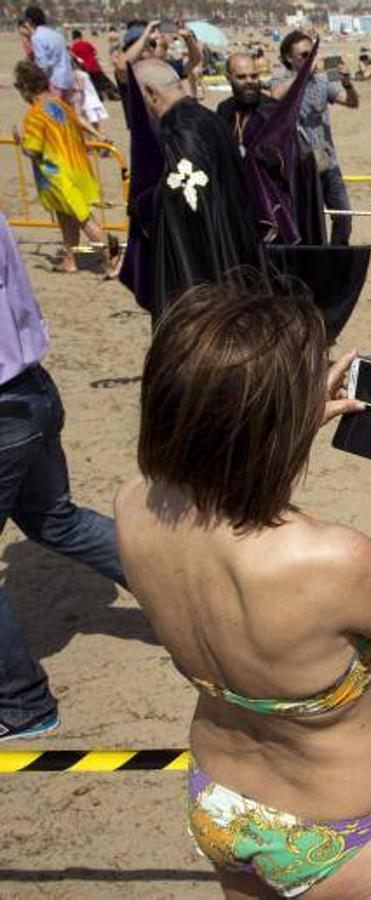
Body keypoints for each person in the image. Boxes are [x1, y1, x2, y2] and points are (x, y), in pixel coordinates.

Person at [115, 282, 371, 899]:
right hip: (337, 823)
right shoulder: (328, 557)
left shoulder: (133, 505)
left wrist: (286, 422)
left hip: (220, 794)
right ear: (270, 421)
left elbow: (219, 498)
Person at [0, 213, 125, 742]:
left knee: (58, 519)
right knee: (57, 519)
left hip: (7, 407)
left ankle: (21, 704)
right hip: (29, 388)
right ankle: (187, 589)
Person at [117, 47, 264, 321]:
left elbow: (185, 209)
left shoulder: (181, 132)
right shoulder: (211, 119)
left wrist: (141, 204)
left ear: (150, 93)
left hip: (204, 272)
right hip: (233, 254)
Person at [13, 61, 120, 276]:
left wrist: (20, 142)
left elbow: (33, 151)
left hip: (57, 175)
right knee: (65, 217)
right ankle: (70, 260)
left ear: (25, 88)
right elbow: (80, 120)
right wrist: (98, 134)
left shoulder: (34, 115)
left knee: (83, 218)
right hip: (77, 168)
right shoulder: (59, 104)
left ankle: (113, 256)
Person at [217, 49, 323, 245]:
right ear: (228, 78)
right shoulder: (224, 111)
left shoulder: (274, 113)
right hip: (237, 205)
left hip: (272, 206)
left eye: (254, 75)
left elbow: (295, 159)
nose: (250, 81)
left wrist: (264, 158)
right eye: (241, 77)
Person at [272, 30, 358, 246]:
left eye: (312, 53)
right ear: (288, 58)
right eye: (303, 55)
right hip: (301, 167)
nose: (309, 58)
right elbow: (276, 96)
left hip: (329, 163)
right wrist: (305, 72)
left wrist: (347, 83)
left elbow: (351, 103)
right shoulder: (280, 79)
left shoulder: (321, 81)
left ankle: (337, 255)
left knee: (344, 217)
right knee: (310, 221)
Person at [18, 6, 74, 106]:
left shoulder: (37, 37)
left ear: (29, 21)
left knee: (53, 115)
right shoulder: (56, 34)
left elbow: (43, 65)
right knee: (69, 115)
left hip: (55, 82)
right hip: (68, 80)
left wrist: (38, 85)